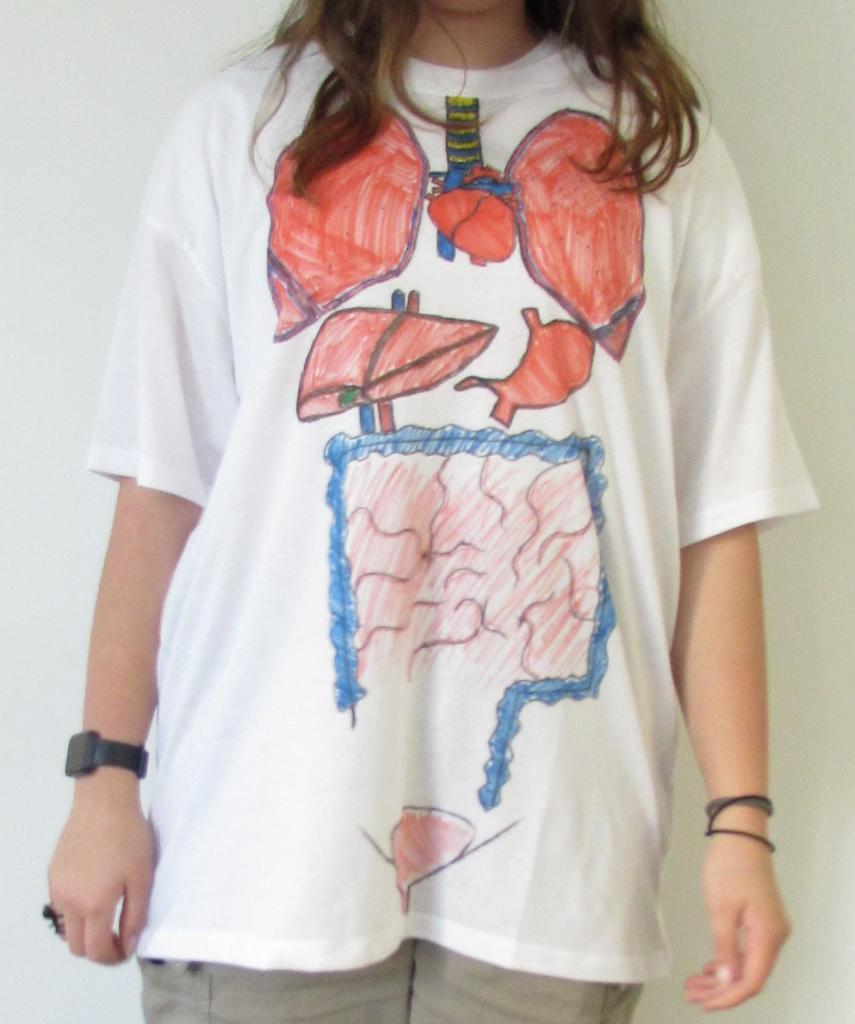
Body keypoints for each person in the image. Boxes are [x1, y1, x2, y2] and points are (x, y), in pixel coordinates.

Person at [46, 1, 821, 1021]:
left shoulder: (657, 151)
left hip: (552, 877)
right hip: (259, 863)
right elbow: (162, 488)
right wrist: (105, 779)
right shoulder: (241, 124)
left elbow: (717, 511)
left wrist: (740, 820)